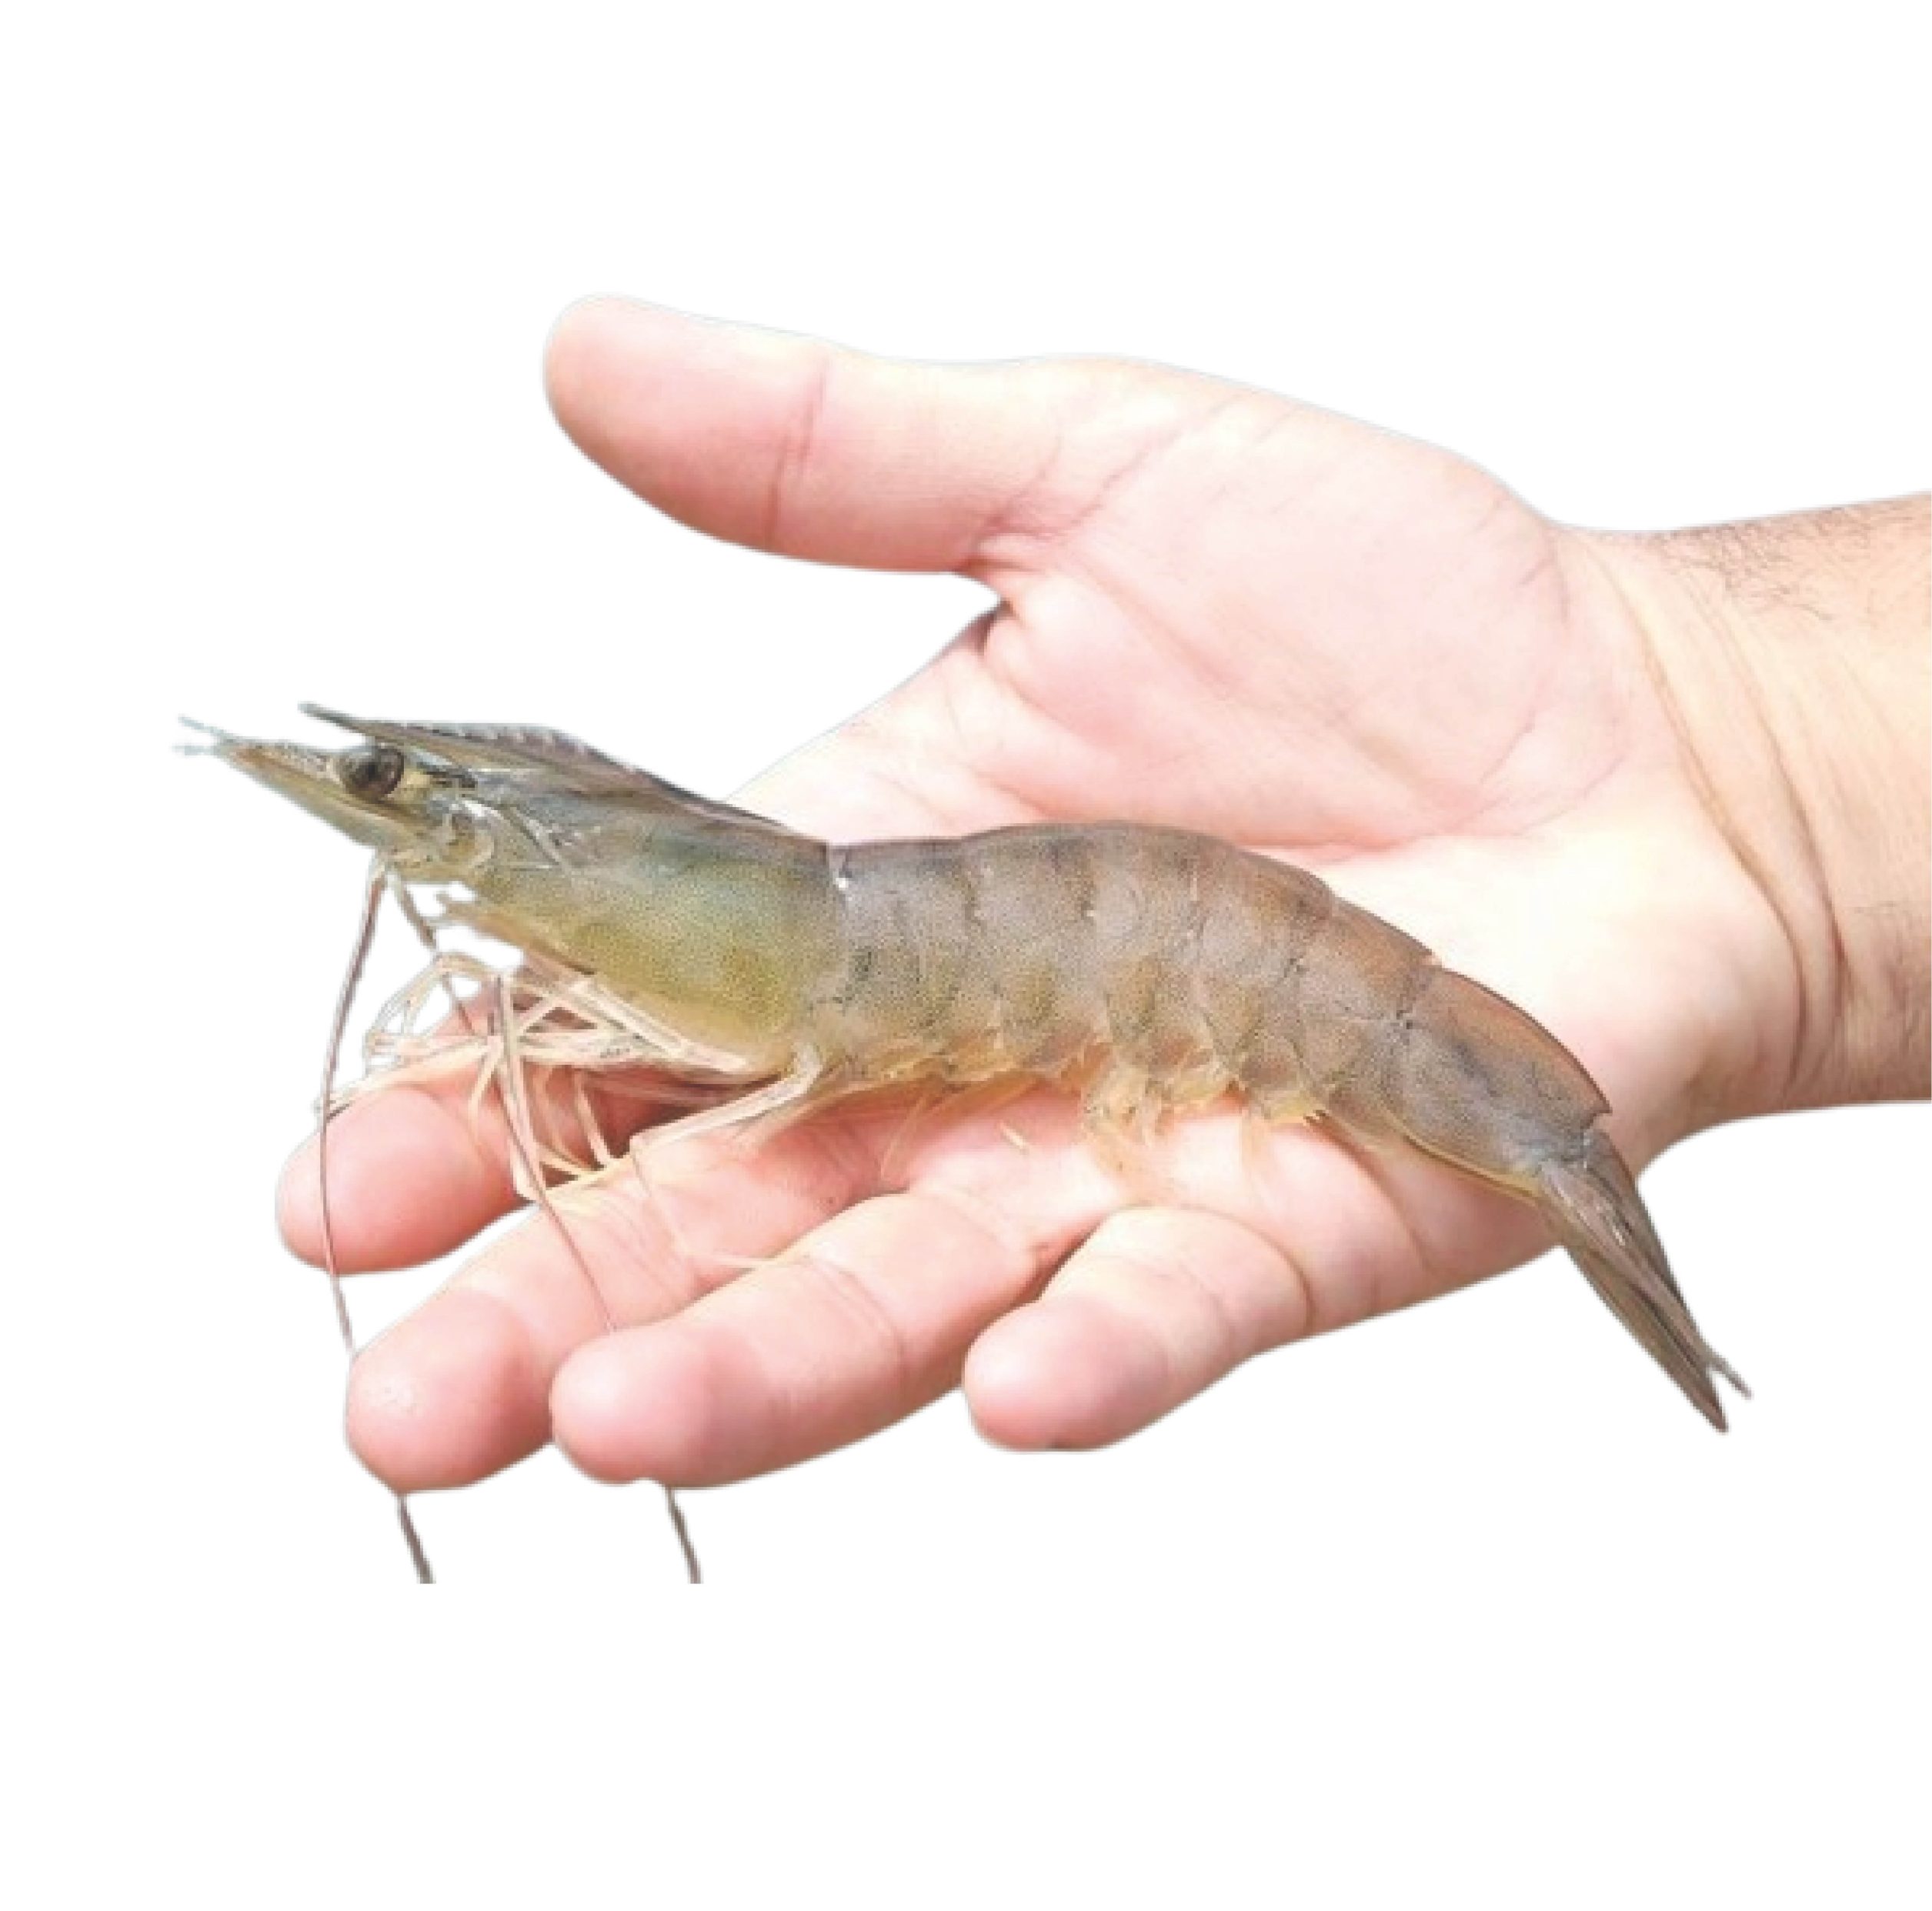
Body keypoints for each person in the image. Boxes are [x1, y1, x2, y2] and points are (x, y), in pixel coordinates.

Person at [279, 298, 1928, 1496]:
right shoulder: (613, 865)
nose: (409, 827)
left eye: (404, 797)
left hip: (1187, 955)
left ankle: (1548, 1150)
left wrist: (1746, 778)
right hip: (1029, 929)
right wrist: (1748, 783)